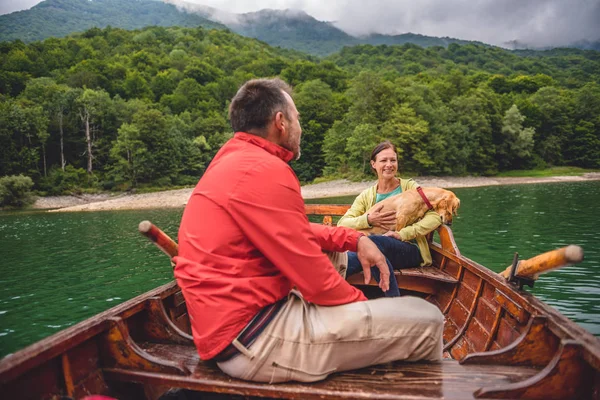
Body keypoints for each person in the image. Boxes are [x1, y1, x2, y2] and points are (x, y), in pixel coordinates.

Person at [174, 78, 443, 384]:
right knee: (429, 321)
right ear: (281, 122)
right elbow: (318, 283)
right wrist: (369, 315)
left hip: (230, 323)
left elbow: (295, 232)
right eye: (298, 118)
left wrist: (355, 239)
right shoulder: (266, 171)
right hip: (255, 339)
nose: (300, 126)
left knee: (333, 251)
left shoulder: (232, 161)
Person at [338, 141, 443, 286]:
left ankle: (329, 283)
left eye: (393, 160)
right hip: (376, 250)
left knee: (374, 243)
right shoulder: (366, 196)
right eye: (383, 160)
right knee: (370, 247)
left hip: (409, 249)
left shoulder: (411, 188)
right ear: (373, 164)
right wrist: (368, 220)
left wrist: (402, 234)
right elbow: (342, 223)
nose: (389, 164)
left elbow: (436, 216)